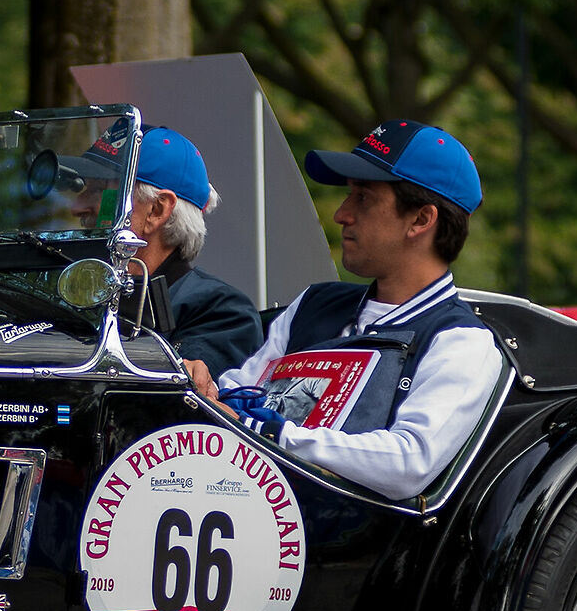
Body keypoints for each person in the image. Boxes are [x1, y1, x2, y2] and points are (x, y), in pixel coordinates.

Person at [191, 118, 504, 500]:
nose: (342, 214)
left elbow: (408, 463)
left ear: (421, 219)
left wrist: (274, 434)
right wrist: (199, 388)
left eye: (364, 197)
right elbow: (235, 393)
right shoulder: (313, 303)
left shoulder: (461, 341)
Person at [59, 124, 263, 376]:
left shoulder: (222, 313)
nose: (76, 207)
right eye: (83, 189)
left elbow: (176, 400)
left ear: (156, 211)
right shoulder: (74, 287)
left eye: (100, 190)